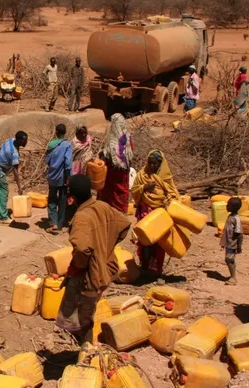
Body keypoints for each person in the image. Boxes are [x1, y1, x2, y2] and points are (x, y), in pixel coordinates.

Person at [56, 174, 132, 344]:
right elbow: (124, 224)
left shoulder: (81, 218)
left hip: (90, 277)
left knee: (83, 319)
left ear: (72, 197)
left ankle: (87, 354)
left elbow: (82, 249)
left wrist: (80, 265)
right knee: (87, 312)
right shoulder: (102, 206)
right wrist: (106, 246)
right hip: (108, 268)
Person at [131, 150, 179, 276]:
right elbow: (134, 191)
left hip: (160, 214)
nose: (152, 166)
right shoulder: (142, 175)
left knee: (159, 244)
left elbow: (173, 194)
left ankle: (157, 271)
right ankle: (145, 267)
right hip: (145, 213)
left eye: (156, 164)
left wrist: (168, 201)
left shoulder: (166, 178)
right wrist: (144, 188)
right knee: (145, 242)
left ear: (161, 164)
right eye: (150, 163)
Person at [98, 114, 134, 214]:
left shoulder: (112, 140)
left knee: (110, 192)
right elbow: (131, 152)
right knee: (122, 192)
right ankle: (121, 212)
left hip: (113, 172)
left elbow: (108, 155)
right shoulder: (127, 136)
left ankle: (110, 213)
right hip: (124, 171)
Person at [0, 131, 27, 223]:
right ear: (19, 140)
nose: (26, 142)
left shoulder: (10, 140)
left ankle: (1, 210)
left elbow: (0, 148)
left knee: (0, 190)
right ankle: (3, 217)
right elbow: (15, 171)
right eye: (24, 140)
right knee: (3, 190)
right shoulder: (14, 153)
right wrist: (19, 187)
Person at [45, 124, 73, 234]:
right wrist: (68, 177)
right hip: (63, 177)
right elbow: (67, 162)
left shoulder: (51, 144)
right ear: (65, 132)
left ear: (56, 132)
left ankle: (53, 223)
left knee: (52, 198)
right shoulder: (67, 145)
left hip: (52, 176)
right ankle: (60, 224)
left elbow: (47, 161)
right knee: (62, 199)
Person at [220, 197, 243, 285]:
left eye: (228, 205)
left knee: (229, 260)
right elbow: (227, 231)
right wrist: (224, 242)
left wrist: (239, 246)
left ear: (233, 207)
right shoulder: (230, 216)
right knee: (229, 259)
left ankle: (233, 278)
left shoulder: (236, 219)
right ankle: (232, 276)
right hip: (229, 243)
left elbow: (240, 234)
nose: (226, 206)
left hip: (233, 244)